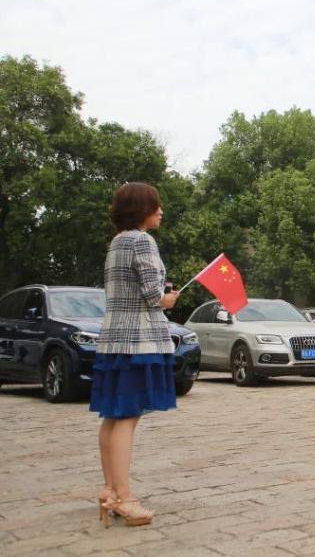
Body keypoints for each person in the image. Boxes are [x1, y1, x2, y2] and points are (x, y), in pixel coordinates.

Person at [91, 182, 180, 527]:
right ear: (141, 209)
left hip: (114, 338)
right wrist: (168, 299)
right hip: (139, 341)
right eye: (156, 206)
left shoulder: (116, 242)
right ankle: (124, 497)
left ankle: (109, 489)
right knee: (127, 417)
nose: (161, 211)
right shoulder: (142, 241)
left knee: (113, 416)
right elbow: (154, 296)